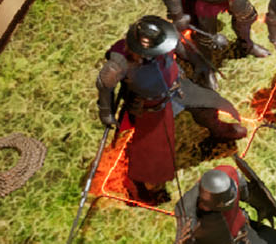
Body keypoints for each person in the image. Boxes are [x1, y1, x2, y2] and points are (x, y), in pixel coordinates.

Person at [95, 16, 245, 197]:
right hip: (151, 105)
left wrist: (198, 62)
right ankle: (141, 182)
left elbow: (181, 49)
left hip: (178, 87)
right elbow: (105, 86)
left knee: (207, 105)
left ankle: (217, 129)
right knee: (151, 147)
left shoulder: (164, 37)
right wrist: (106, 112)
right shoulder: (119, 63)